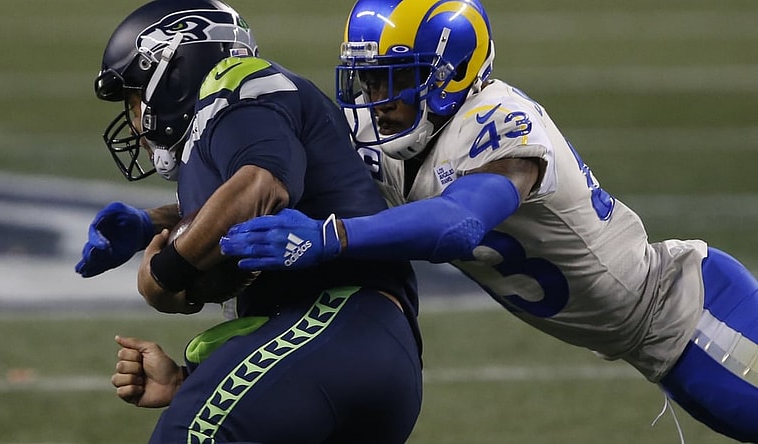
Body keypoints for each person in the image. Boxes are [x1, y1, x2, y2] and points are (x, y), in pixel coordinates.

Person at [218, 0, 758, 442]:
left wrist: (331, 236)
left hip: (692, 315)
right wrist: (177, 223)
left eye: (395, 80)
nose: (377, 101)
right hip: (655, 342)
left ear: (448, 75)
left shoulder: (499, 121)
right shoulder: (390, 138)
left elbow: (458, 223)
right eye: (369, 81)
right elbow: (289, 179)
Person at [76, 0, 423, 442]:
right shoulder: (235, 120)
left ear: (171, 71)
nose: (135, 119)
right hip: (345, 341)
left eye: (134, 98)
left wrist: (164, 276)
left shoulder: (237, 86)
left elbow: (262, 186)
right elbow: (252, 203)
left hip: (339, 320)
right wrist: (151, 225)